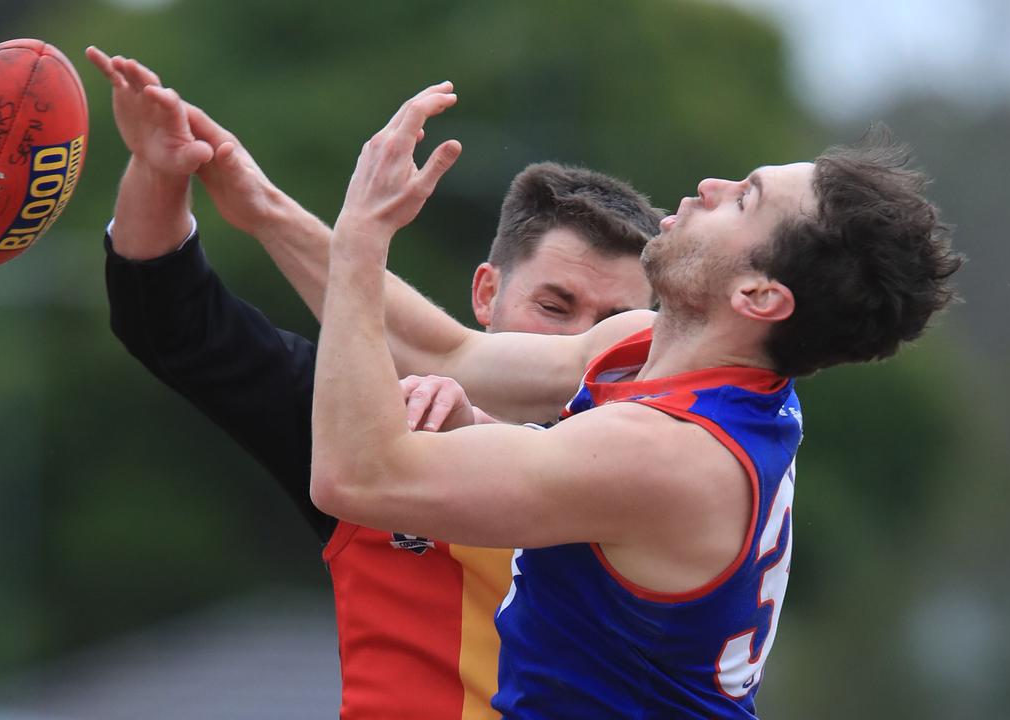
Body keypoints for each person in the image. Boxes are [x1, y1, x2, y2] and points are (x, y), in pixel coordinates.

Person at [302, 83, 964, 719]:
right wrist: (256, 202)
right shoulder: (662, 352)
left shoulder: (664, 454)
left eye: (744, 200)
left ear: (759, 296)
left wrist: (363, 234)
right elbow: (451, 355)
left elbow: (355, 473)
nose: (712, 187)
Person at [85, 47, 661, 720]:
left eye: (615, 330)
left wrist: (467, 435)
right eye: (554, 308)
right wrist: (159, 169)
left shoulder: (670, 465)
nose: (577, 344)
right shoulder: (372, 428)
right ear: (486, 293)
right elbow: (170, 322)